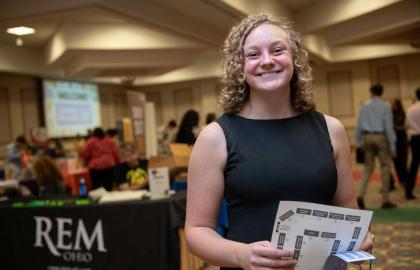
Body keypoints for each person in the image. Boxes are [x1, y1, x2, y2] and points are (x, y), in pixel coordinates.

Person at [185, 14, 373, 270]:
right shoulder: (215, 137)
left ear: (294, 58)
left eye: (277, 50)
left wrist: (361, 237)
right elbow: (197, 231)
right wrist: (242, 255)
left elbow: (348, 210)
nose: (267, 61)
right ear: (239, 66)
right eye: (253, 54)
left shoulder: (331, 129)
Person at [355, 84, 397, 209]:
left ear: (372, 92)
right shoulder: (386, 106)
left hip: (367, 137)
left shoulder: (364, 106)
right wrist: (393, 145)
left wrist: (359, 142)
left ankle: (360, 196)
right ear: (381, 93)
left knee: (368, 168)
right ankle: (385, 200)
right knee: (385, 168)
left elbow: (359, 125)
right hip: (381, 137)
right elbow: (388, 127)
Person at [405, 88, 420, 200]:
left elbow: (406, 125)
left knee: (414, 164)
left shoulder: (410, 109)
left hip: (414, 138)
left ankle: (408, 191)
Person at [391, 98, 408, 189]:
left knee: (403, 160)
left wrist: (395, 127)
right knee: (396, 161)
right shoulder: (390, 113)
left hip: (402, 139)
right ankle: (400, 180)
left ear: (397, 104)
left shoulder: (402, 113)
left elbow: (399, 125)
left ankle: (404, 180)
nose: (391, 105)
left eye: (393, 104)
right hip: (394, 140)